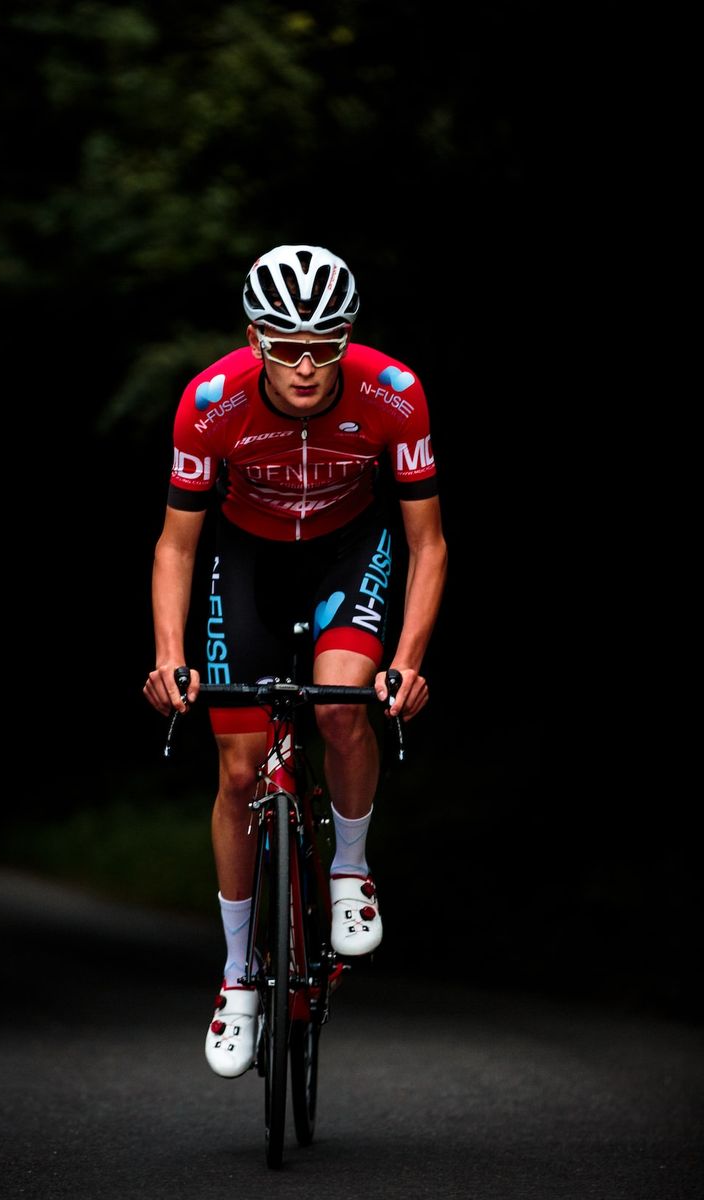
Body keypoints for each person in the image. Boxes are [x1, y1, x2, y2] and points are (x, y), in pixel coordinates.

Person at [144, 244, 447, 1078]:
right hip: (244, 560)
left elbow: (428, 540)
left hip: (349, 552)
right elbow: (177, 545)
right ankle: (239, 976)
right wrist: (170, 657)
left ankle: (350, 869)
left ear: (350, 337)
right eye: (284, 343)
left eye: (326, 342)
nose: (307, 364)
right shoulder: (210, 403)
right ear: (254, 337)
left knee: (343, 706)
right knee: (239, 773)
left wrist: (409, 662)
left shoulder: (395, 393)